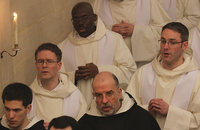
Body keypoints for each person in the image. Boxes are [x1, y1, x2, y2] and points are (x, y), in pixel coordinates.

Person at [58, 2, 136, 104]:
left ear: (94, 17)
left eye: (85, 18)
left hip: (109, 104)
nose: (80, 22)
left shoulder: (113, 39)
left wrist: (99, 70)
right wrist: (74, 76)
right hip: (78, 107)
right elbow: (56, 81)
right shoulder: (63, 47)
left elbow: (130, 71)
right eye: (76, 20)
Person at [126, 22, 200, 129]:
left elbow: (198, 120)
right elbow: (128, 110)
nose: (165, 47)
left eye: (172, 42)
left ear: (184, 45)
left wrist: (170, 112)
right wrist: (147, 111)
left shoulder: (196, 79)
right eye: (163, 41)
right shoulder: (143, 73)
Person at [92, 0, 171, 68]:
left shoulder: (148, 2)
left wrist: (136, 31)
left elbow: (166, 31)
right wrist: (108, 31)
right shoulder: (99, 3)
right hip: (112, 67)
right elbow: (88, 35)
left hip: (143, 66)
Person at [29, 43, 87, 127]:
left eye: (50, 62)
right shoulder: (29, 94)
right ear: (36, 66)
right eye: (41, 61)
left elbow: (83, 125)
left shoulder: (73, 94)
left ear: (59, 65)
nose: (44, 65)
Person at [78, 71, 161, 130]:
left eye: (109, 93)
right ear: (93, 95)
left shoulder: (141, 119)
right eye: (99, 95)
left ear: (119, 92)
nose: (104, 101)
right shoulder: (85, 123)